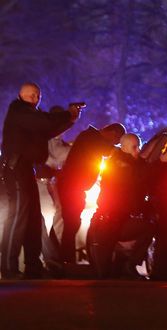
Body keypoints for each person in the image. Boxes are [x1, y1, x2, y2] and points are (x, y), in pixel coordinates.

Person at [0, 82, 80, 279]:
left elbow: (47, 130)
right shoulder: (19, 110)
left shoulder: (30, 115)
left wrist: (70, 120)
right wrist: (66, 114)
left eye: (37, 95)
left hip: (25, 169)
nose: (35, 98)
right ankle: (8, 267)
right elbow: (44, 123)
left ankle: (33, 265)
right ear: (21, 95)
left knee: (34, 218)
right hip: (15, 168)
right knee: (18, 215)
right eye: (31, 95)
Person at [57, 123, 126, 264]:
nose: (114, 143)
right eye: (116, 141)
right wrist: (123, 152)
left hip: (74, 187)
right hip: (71, 187)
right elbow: (107, 151)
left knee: (72, 223)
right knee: (71, 224)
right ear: (113, 133)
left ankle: (65, 258)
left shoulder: (91, 138)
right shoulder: (90, 138)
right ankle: (65, 259)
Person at [88, 133, 152, 279]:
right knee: (103, 274)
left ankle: (129, 264)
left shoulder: (135, 163)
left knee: (149, 227)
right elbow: (134, 179)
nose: (138, 150)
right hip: (107, 223)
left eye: (139, 146)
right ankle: (121, 263)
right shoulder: (117, 164)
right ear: (123, 147)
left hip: (121, 222)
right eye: (134, 147)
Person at [35, 106, 72, 268]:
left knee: (56, 218)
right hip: (42, 183)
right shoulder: (47, 138)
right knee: (48, 219)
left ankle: (54, 256)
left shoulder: (55, 140)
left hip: (50, 183)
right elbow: (58, 156)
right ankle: (50, 258)